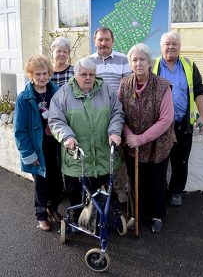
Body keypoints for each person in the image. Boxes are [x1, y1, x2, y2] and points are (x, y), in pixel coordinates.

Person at [48, 57, 124, 215]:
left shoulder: (106, 89)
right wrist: (67, 136)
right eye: (84, 74)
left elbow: (117, 112)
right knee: (76, 194)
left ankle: (100, 220)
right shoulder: (63, 93)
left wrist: (115, 132)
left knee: (102, 193)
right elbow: (55, 120)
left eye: (92, 74)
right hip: (77, 155)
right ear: (75, 75)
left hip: (102, 153)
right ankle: (79, 220)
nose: (88, 78)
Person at [119, 43, 175, 233]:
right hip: (132, 143)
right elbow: (120, 114)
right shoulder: (125, 84)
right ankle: (137, 214)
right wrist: (129, 136)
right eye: (134, 60)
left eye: (142, 59)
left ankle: (157, 215)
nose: (139, 63)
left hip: (158, 143)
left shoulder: (162, 85)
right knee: (136, 181)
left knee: (156, 181)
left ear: (149, 62)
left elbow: (166, 119)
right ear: (130, 64)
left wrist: (140, 139)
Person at [153, 31, 203, 206]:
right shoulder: (152, 66)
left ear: (180, 46)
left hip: (183, 124)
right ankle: (160, 192)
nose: (171, 47)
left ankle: (176, 191)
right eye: (167, 44)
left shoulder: (189, 65)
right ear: (161, 47)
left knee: (181, 161)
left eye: (174, 44)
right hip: (159, 125)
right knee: (159, 161)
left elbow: (199, 91)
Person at [14, 55, 63, 232]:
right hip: (37, 149)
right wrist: (29, 155)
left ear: (49, 73)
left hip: (55, 146)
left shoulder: (56, 91)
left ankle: (53, 208)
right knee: (41, 184)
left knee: (57, 182)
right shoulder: (24, 98)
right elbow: (20, 131)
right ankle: (41, 215)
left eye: (44, 73)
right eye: (37, 74)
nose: (42, 78)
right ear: (31, 75)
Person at [89, 27, 131, 203]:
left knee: (118, 155)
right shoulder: (88, 61)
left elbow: (129, 87)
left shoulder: (123, 60)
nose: (103, 43)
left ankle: (121, 191)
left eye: (107, 39)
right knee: (98, 153)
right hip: (94, 118)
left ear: (113, 41)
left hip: (117, 115)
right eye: (100, 40)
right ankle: (100, 190)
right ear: (95, 42)